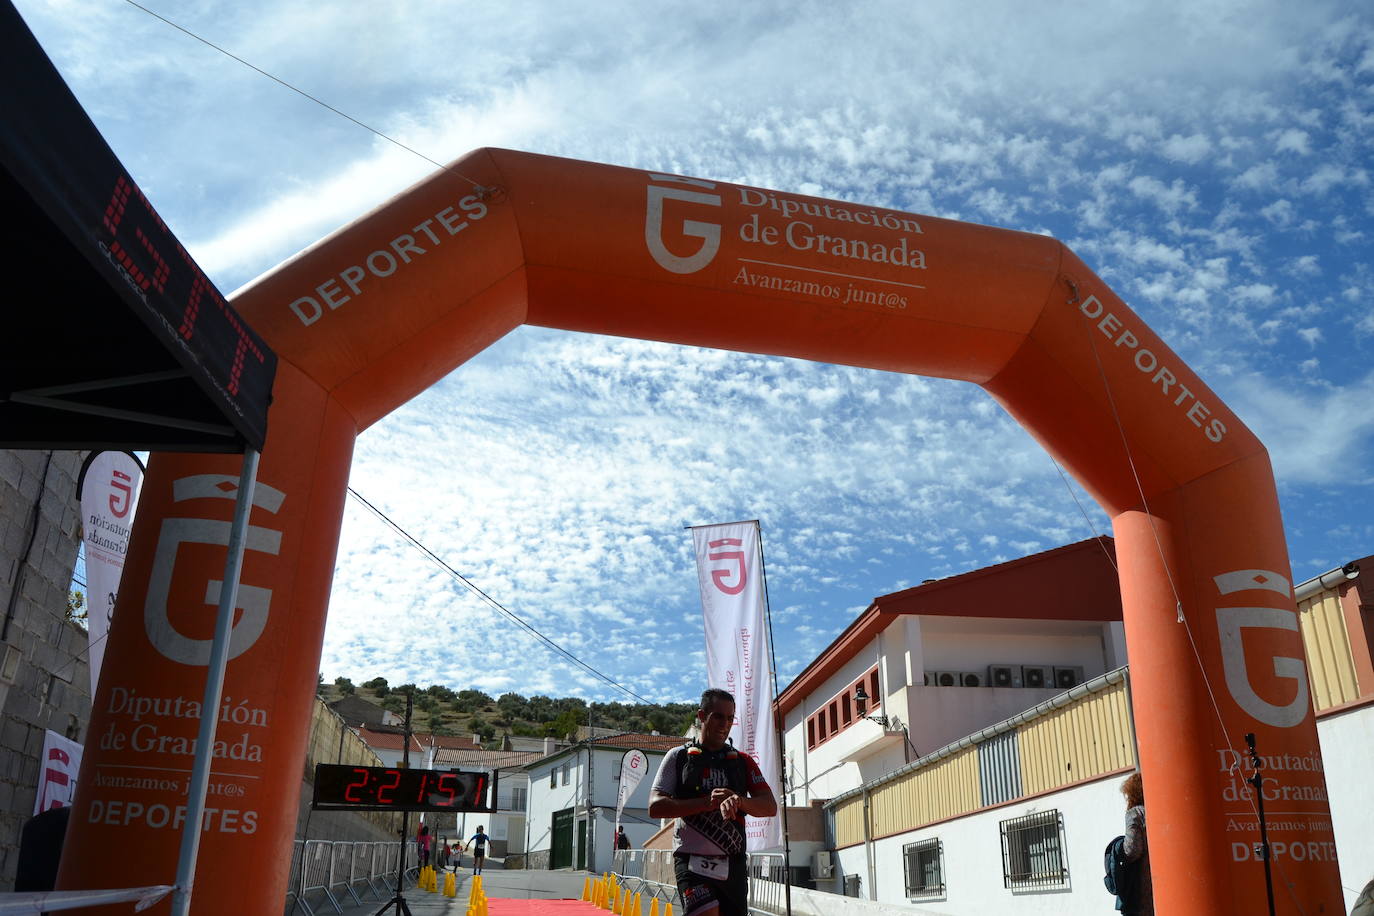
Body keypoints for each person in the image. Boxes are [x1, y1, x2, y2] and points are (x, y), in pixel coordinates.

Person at [648, 688, 777, 916]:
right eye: (718, 716)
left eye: (730, 718)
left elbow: (769, 806)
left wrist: (739, 801)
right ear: (701, 716)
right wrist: (706, 802)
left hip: (733, 863)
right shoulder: (678, 757)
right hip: (691, 860)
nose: (724, 724)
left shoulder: (743, 762)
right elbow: (655, 806)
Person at [1120, 771, 1154, 915]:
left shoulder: (1135, 814)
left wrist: (1118, 850)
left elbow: (1132, 850)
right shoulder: (1158, 810)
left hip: (1143, 886)